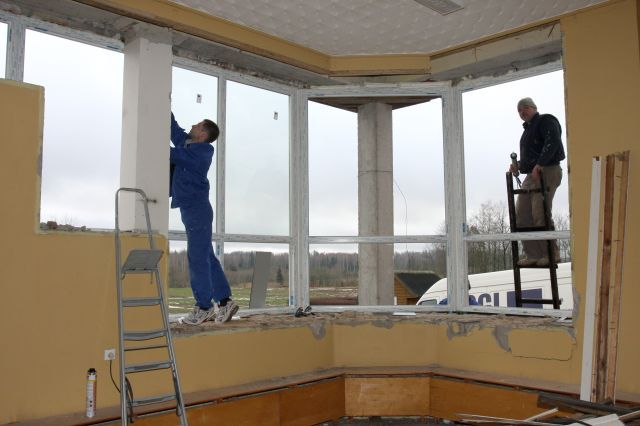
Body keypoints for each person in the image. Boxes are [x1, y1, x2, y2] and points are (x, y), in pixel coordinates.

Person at [170, 112, 238, 325]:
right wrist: (164, 106)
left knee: (197, 258)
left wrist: (151, 142)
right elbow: (174, 131)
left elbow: (172, 154)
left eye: (198, 125)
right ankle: (225, 301)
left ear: (203, 134)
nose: (193, 125)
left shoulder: (202, 152)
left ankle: (204, 307)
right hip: (193, 210)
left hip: (197, 210)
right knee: (206, 255)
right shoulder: (189, 145)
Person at [509, 97, 566, 267]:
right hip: (531, 174)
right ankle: (533, 254)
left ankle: (551, 253)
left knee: (540, 213)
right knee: (521, 215)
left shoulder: (546, 120)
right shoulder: (527, 132)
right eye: (519, 110)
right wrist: (518, 166)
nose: (522, 112)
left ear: (534, 107)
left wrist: (540, 163)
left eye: (525, 108)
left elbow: (553, 142)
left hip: (547, 170)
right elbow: (531, 158)